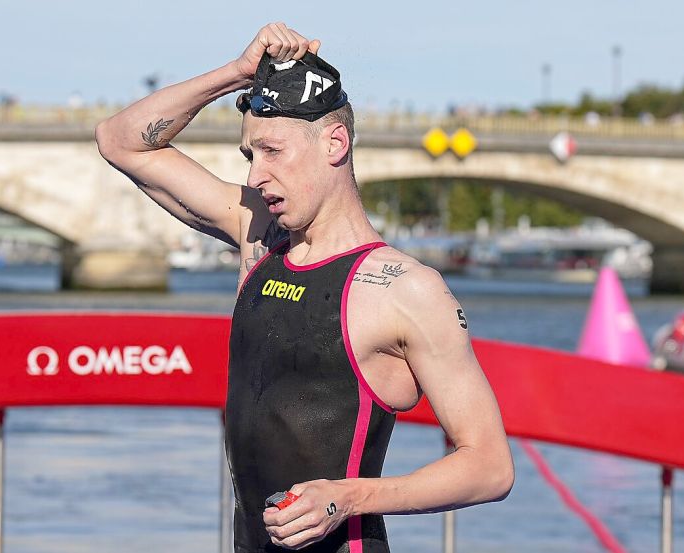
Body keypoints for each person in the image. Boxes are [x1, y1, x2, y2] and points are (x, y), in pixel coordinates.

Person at [95, 23, 513, 552]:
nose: (255, 177)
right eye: (250, 156)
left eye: (272, 151)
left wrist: (346, 498)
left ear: (334, 143)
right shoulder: (259, 237)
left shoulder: (403, 289)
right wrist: (237, 73)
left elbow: (490, 465)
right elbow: (120, 140)